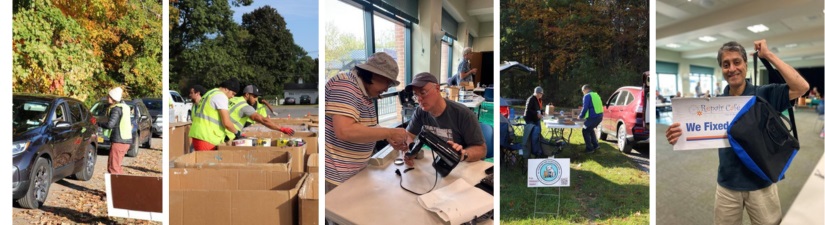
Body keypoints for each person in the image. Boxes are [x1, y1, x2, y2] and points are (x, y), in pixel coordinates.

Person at [666, 40, 809, 224]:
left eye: (736, 62)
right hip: (727, 185)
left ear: (745, 65)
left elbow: (802, 87)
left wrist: (769, 55)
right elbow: (695, 133)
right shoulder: (715, 104)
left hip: (762, 184)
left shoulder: (764, 94)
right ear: (721, 69)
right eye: (726, 64)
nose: (732, 68)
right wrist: (678, 136)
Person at [325, 52, 410, 192]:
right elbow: (344, 130)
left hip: (353, 173)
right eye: (387, 82)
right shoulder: (345, 85)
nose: (387, 88)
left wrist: (388, 136)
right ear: (375, 75)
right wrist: (389, 132)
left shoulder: (364, 92)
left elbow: (365, 126)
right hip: (336, 177)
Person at [402, 72, 486, 166]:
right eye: (416, 95)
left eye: (423, 92)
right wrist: (412, 149)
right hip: (440, 164)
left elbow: (481, 149)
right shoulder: (420, 112)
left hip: (464, 165)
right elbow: (407, 135)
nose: (419, 99)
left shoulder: (463, 114)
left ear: (437, 88)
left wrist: (463, 154)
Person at [190, 78, 243, 151]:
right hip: (207, 139)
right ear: (226, 89)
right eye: (233, 93)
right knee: (209, 161)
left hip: (199, 136)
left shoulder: (210, 93)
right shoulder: (221, 96)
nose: (232, 96)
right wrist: (237, 133)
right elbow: (226, 123)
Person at [228, 85, 294, 135]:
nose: (256, 99)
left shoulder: (233, 99)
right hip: (228, 134)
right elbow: (263, 120)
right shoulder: (245, 106)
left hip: (226, 132)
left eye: (257, 97)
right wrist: (281, 129)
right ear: (247, 94)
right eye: (254, 96)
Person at [97, 87, 132, 174]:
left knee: (113, 167)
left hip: (119, 141)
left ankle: (117, 187)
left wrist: (98, 123)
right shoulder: (124, 107)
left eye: (108, 96)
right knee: (117, 166)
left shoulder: (116, 109)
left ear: (113, 98)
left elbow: (110, 125)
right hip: (125, 141)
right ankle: (121, 186)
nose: (107, 97)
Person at [578, 84, 603, 153]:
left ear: (585, 90)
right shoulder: (596, 95)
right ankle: (596, 145)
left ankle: (589, 149)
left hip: (593, 117)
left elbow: (585, 108)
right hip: (599, 116)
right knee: (590, 129)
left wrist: (580, 116)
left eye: (583, 91)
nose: (583, 93)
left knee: (585, 130)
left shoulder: (587, 96)